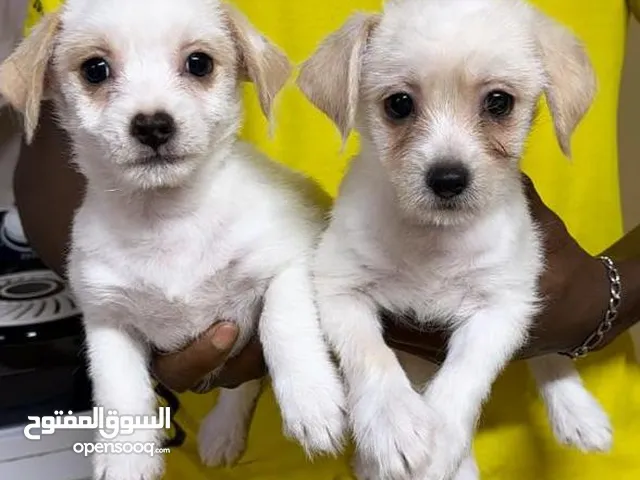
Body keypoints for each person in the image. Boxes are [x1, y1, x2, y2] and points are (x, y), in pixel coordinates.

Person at [9, 0, 640, 478]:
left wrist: (611, 293)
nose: (448, 158)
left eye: (497, 103)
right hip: (239, 433)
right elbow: (47, 160)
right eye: (399, 106)